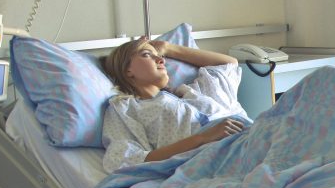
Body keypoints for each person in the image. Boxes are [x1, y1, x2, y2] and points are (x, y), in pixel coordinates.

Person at [100, 37, 249, 172]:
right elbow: (124, 159)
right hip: (218, 159)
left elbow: (228, 64)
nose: (161, 60)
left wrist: (167, 48)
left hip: (248, 138)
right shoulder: (125, 108)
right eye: (146, 54)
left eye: (160, 56)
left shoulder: (191, 92)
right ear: (127, 70)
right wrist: (202, 138)